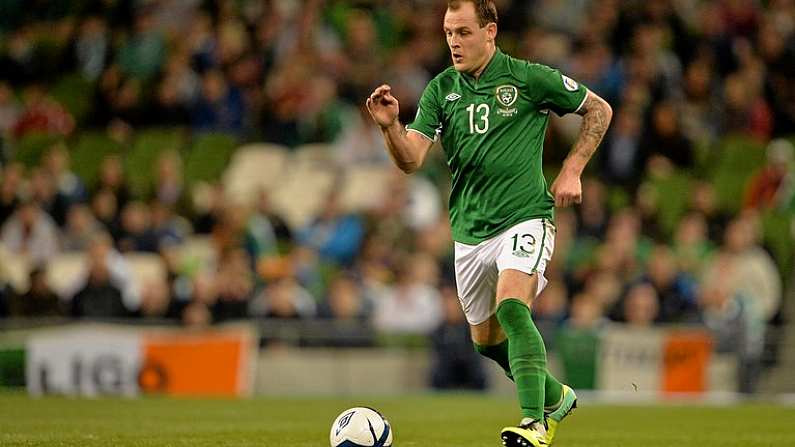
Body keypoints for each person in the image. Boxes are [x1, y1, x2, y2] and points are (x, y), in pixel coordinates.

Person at [365, 1, 612, 445]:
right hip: (470, 231)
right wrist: (389, 128)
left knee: (513, 307)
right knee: (486, 341)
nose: (454, 43)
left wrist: (573, 168)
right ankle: (555, 397)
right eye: (448, 33)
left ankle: (536, 423)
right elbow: (411, 159)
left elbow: (600, 110)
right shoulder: (441, 90)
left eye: (463, 32)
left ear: (490, 31)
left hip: (526, 216)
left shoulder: (529, 78)